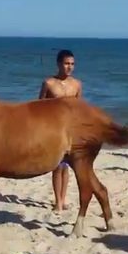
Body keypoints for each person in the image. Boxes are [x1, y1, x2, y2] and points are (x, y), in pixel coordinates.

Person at [38, 49, 82, 212]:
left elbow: (79, 108)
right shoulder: (49, 83)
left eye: (72, 64)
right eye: (66, 63)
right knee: (57, 165)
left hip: (70, 129)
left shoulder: (77, 84)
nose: (69, 67)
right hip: (53, 129)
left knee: (67, 166)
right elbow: (39, 106)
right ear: (58, 64)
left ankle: (63, 199)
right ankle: (57, 201)